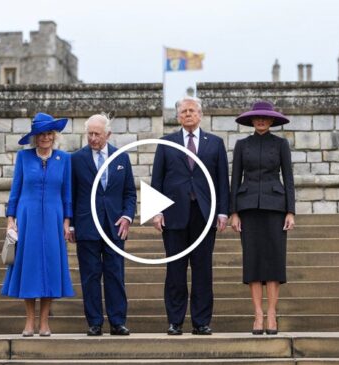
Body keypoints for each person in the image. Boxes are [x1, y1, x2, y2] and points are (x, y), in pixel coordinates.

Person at [151, 96, 229, 336]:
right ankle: (175, 321)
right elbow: (157, 179)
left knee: (203, 270)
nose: (187, 114)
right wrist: (156, 211)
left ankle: (201, 322)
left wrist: (223, 211)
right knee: (175, 270)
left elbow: (222, 181)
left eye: (192, 111)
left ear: (200, 115)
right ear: (177, 116)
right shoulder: (166, 143)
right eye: (183, 111)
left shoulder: (215, 143)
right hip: (174, 215)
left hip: (204, 215)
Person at [2, 112, 74, 337]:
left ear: (54, 136)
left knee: (50, 268)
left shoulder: (64, 159)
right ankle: (29, 322)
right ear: (35, 137)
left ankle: (44, 322)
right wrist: (10, 220)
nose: (45, 138)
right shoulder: (24, 158)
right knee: (30, 268)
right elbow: (16, 190)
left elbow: (67, 193)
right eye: (41, 134)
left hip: (54, 217)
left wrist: (66, 222)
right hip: (28, 216)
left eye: (49, 133)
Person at [229, 101, 295, 335]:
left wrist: (291, 211)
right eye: (257, 118)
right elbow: (235, 179)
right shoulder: (241, 145)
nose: (261, 121)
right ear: (251, 120)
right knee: (253, 262)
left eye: (265, 118)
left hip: (276, 208)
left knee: (274, 261)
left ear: (272, 120)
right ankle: (257, 314)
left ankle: (272, 315)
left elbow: (288, 178)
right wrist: (234, 212)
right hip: (248, 209)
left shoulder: (281, 144)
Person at [69, 114, 136, 336]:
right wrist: (70, 224)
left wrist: (127, 216)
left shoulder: (121, 158)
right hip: (87, 225)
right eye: (90, 133)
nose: (93, 138)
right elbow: (71, 193)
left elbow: (129, 193)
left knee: (115, 274)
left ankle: (117, 322)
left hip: (115, 226)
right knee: (90, 276)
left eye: (97, 134)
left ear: (108, 134)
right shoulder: (76, 159)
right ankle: (94, 322)